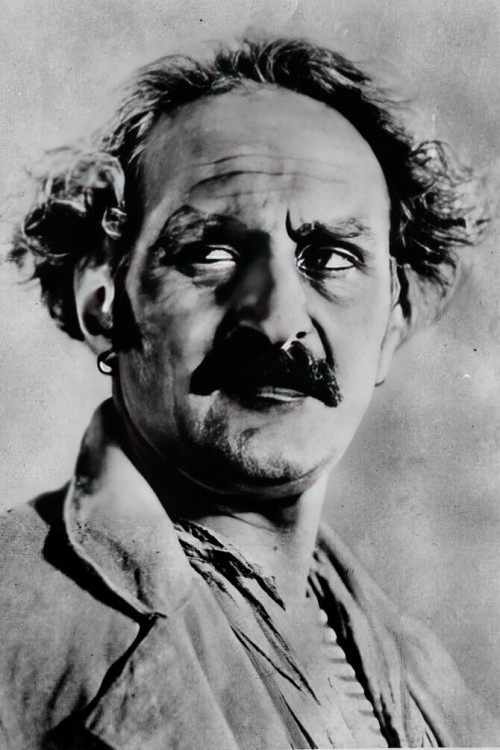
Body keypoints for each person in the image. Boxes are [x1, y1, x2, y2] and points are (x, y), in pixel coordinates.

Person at [1, 37, 498, 749]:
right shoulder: (14, 625)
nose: (276, 319)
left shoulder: (426, 678)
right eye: (211, 253)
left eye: (330, 258)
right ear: (104, 302)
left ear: (391, 324)